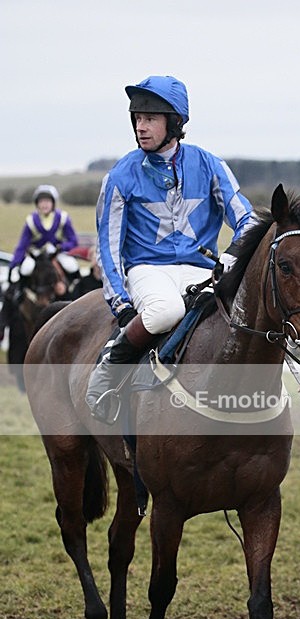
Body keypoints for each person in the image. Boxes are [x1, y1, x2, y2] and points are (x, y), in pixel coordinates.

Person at [86, 75, 254, 423]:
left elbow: (248, 222)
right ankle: (111, 364)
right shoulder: (120, 176)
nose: (141, 127)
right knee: (164, 311)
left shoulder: (210, 165)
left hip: (201, 269)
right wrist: (120, 304)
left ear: (175, 122)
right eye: (137, 118)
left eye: (150, 118)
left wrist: (230, 260)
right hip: (148, 269)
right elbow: (108, 247)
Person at [9, 185, 79, 283]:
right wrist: (14, 263)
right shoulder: (31, 221)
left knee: (71, 266)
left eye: (47, 201)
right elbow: (22, 244)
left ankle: (73, 291)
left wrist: (62, 247)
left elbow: (73, 241)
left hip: (57, 253)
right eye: (41, 201)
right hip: (37, 254)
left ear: (53, 203)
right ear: (37, 204)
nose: (44, 205)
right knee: (26, 269)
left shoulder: (63, 218)